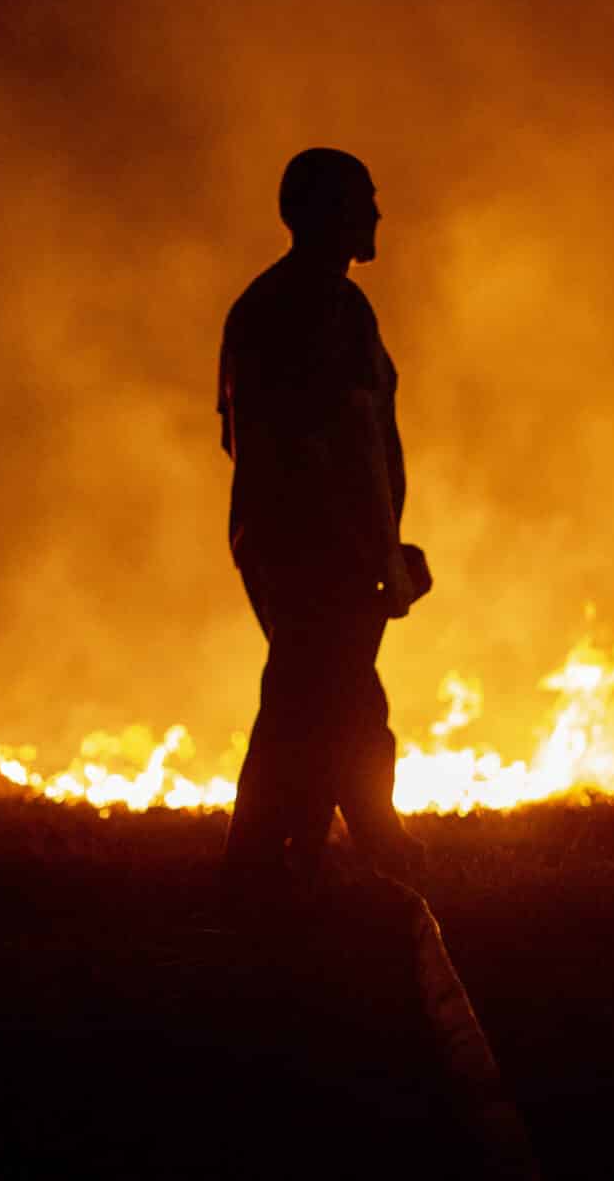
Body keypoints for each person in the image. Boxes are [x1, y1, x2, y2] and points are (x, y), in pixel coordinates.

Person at [216, 147, 430, 909]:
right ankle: (276, 864)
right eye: (362, 200)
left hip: (282, 546)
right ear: (326, 212)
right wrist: (381, 554)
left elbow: (236, 440)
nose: (376, 215)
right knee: (323, 705)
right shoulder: (326, 312)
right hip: (322, 551)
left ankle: (291, 862)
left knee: (319, 702)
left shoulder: (267, 305)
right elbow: (355, 441)